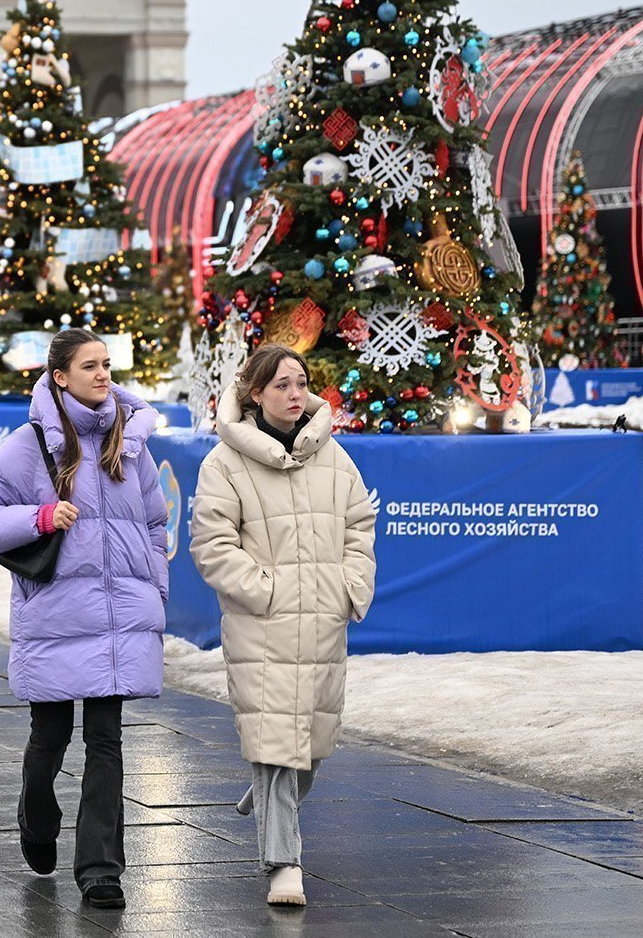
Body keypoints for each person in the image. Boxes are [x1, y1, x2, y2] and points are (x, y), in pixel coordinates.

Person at [0, 328, 169, 912]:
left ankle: (101, 869)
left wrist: (156, 589)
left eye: (106, 365)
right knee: (50, 736)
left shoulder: (131, 442)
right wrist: (43, 516)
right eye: (89, 366)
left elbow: (154, 521)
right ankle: (35, 816)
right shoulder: (30, 445)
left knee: (106, 740)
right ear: (59, 376)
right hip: (54, 616)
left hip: (121, 618)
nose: (103, 375)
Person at [190, 344, 376, 910]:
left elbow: (358, 526)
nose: (295, 395)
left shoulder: (334, 456)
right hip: (262, 627)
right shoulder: (224, 463)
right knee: (276, 748)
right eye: (282, 386)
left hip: (323, 622)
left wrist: (349, 586)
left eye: (301, 384)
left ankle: (270, 800)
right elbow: (212, 545)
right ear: (255, 394)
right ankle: (283, 864)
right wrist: (267, 590)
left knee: (312, 746)